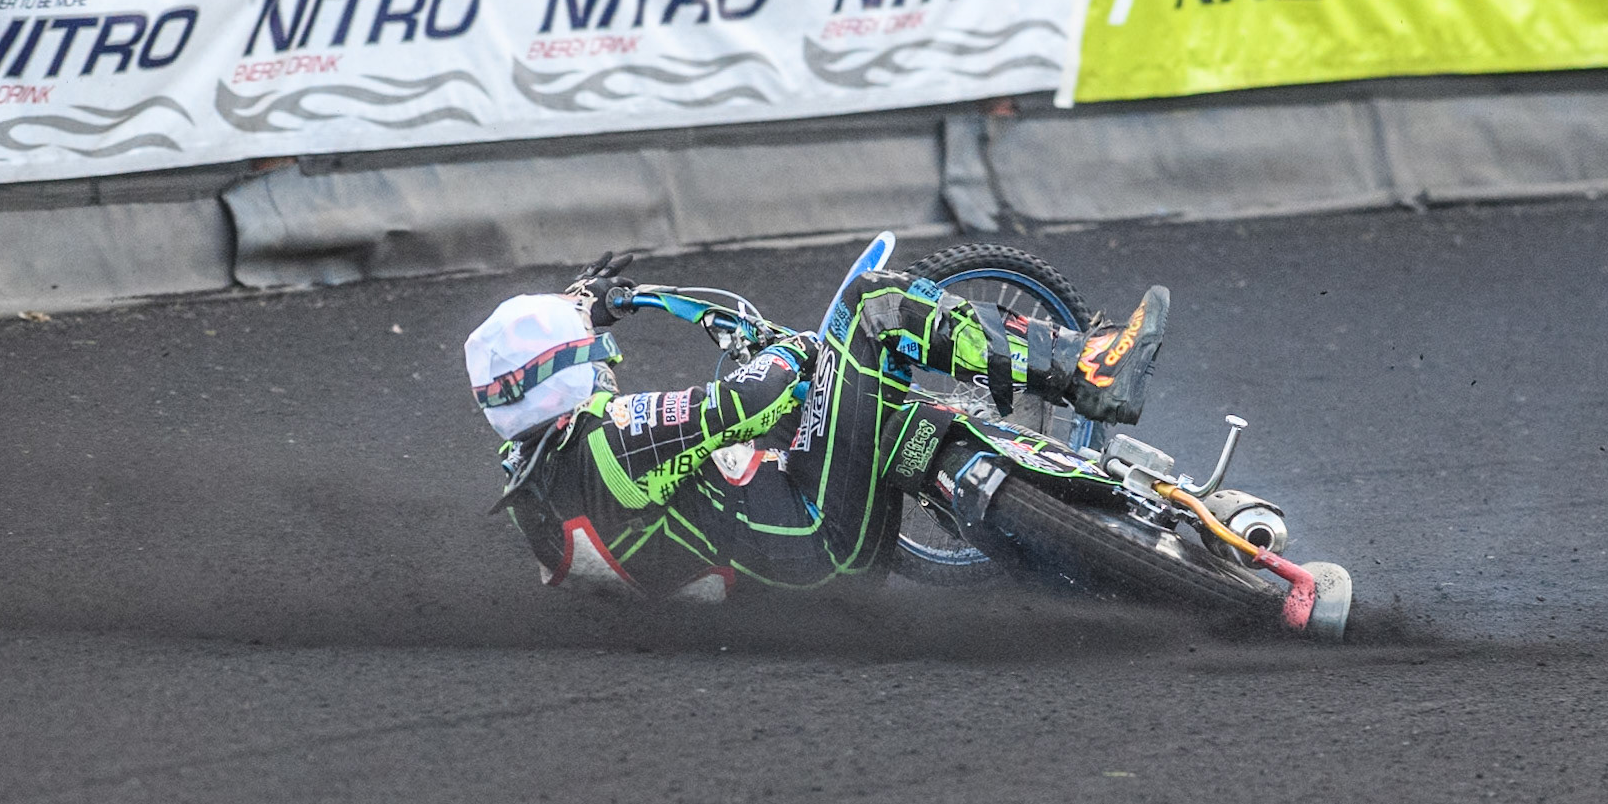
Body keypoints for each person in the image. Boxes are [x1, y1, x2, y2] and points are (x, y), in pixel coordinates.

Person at [464, 239, 1169, 599]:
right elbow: (747, 402)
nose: (605, 361)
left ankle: (1022, 514)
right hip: (819, 540)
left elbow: (543, 385)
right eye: (591, 352)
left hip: (775, 587)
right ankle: (1087, 366)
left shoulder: (535, 482)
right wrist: (797, 352)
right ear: (564, 375)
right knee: (869, 305)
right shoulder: (614, 437)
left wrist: (579, 302)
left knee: (749, 454)